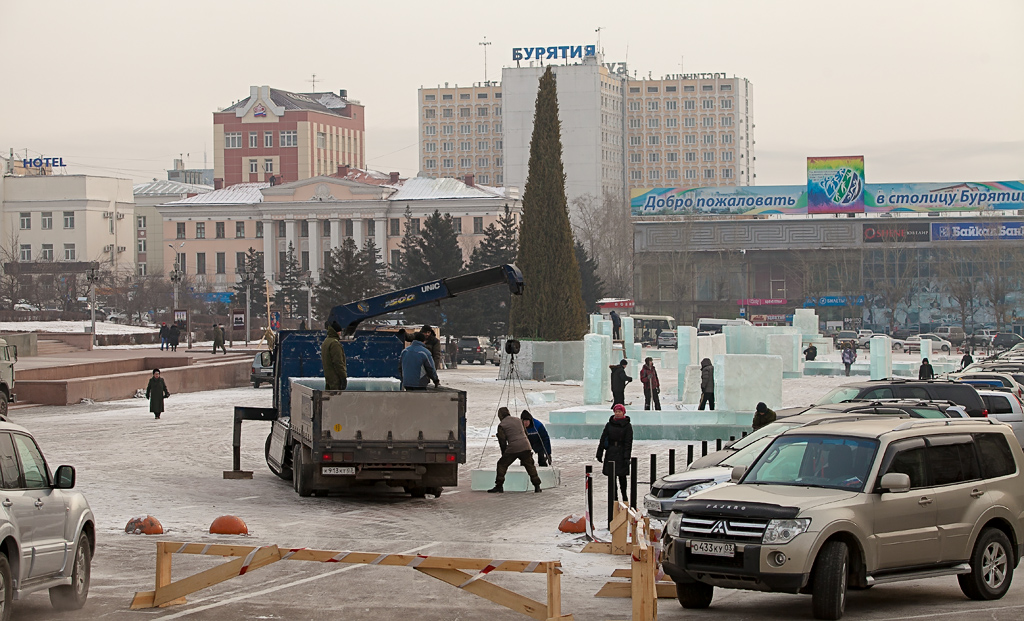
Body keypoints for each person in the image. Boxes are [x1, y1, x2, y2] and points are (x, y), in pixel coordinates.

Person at [488, 407, 542, 493]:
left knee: (501, 464)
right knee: (530, 466)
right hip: (525, 446)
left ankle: (499, 486)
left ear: (500, 415)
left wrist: (504, 454)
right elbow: (525, 433)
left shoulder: (502, 425)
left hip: (513, 448)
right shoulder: (519, 420)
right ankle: (537, 486)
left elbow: (502, 441)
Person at [596, 404, 633, 500]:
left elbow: (628, 442)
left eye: (619, 411)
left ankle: (624, 496)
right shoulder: (609, 424)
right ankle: (614, 497)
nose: (617, 413)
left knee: (622, 477)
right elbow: (603, 438)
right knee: (612, 477)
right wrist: (599, 452)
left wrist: (626, 457)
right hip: (611, 453)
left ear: (623, 412)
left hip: (621, 453)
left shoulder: (627, 426)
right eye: (616, 411)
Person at [321, 322, 348, 390]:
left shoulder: (326, 342)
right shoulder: (334, 343)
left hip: (329, 377)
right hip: (336, 379)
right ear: (337, 332)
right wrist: (343, 377)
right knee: (337, 399)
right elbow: (338, 362)